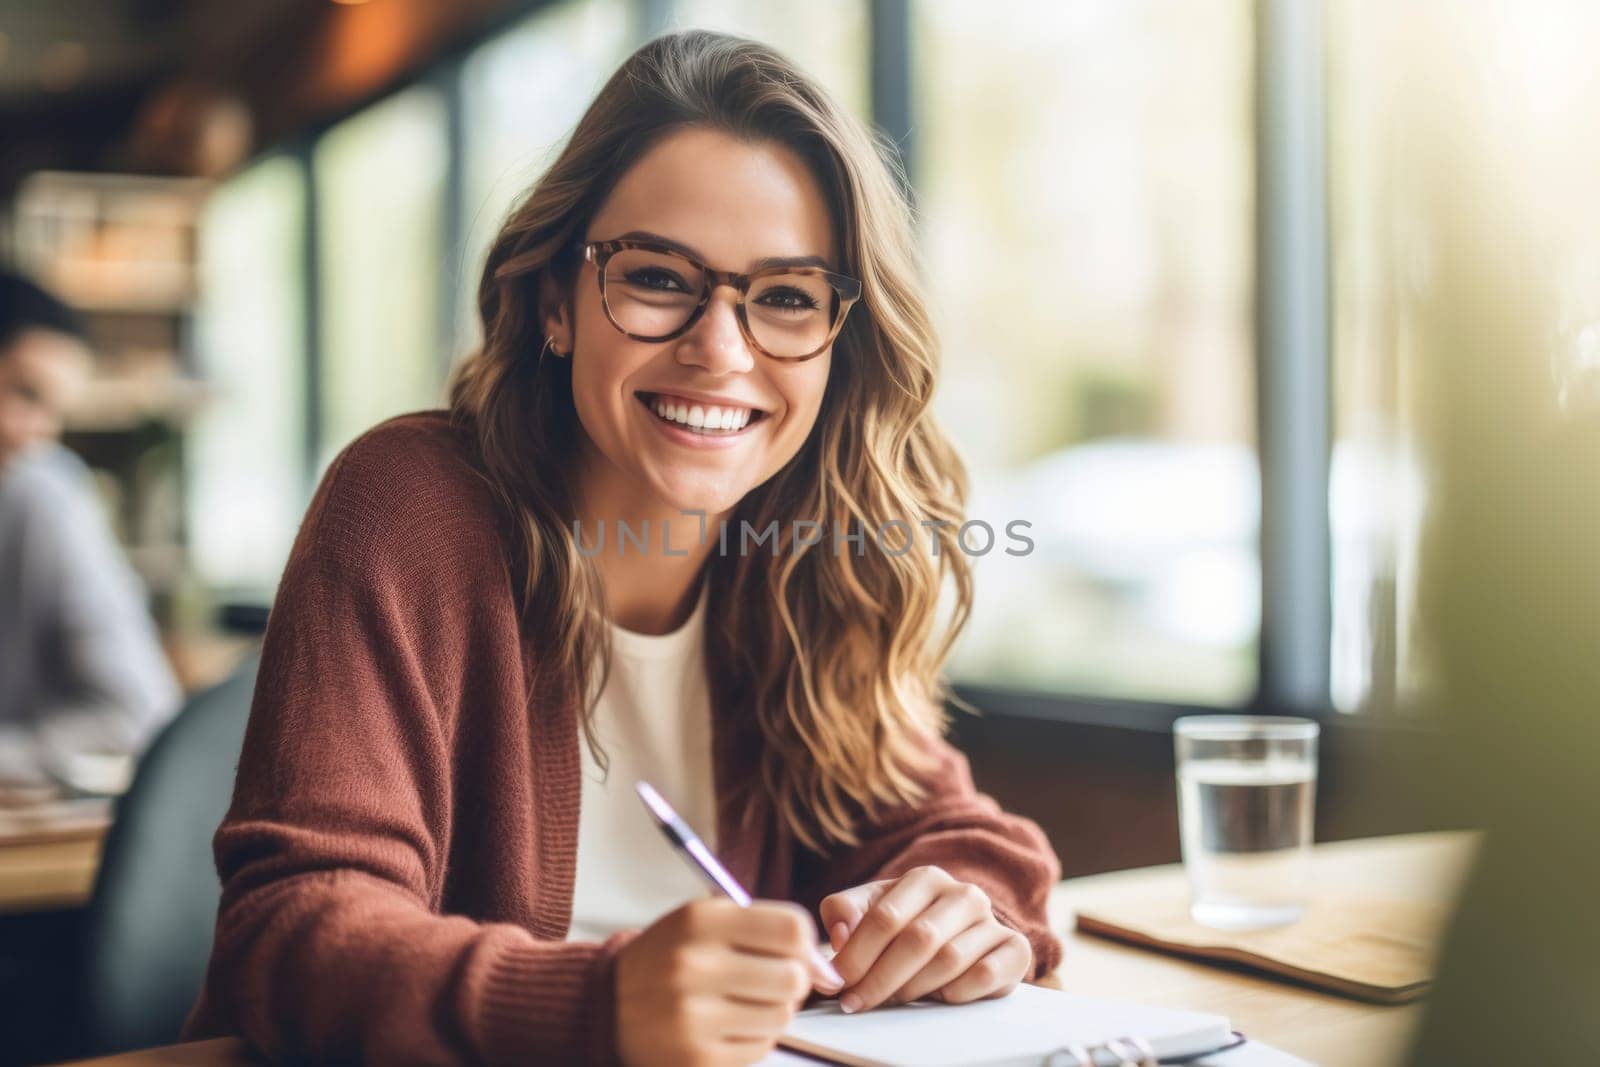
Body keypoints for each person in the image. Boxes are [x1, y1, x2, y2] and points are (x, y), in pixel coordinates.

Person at [184, 30, 1063, 1066]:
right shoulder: (411, 507)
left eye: (785, 296)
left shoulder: (806, 557)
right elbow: (288, 932)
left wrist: (956, 912)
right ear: (556, 300)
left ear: (837, 340)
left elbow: (966, 836)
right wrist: (595, 1003)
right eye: (656, 277)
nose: (719, 349)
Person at [0, 269, 182, 787]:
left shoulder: (43, 493)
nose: (38, 434)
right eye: (25, 394)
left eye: (54, 409)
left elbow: (137, 715)